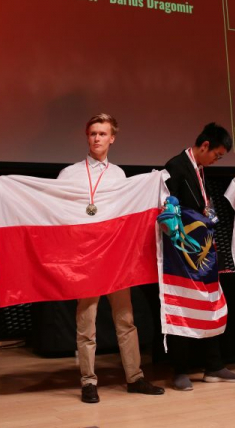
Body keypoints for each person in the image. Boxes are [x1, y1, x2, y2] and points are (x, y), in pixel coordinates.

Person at [58, 114, 163, 403]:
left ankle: (134, 377)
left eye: (102, 134)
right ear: (87, 137)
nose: (97, 139)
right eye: (93, 133)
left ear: (112, 138)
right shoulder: (69, 174)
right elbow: (59, 214)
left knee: (126, 321)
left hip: (115, 259)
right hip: (86, 260)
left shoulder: (119, 175)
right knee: (86, 322)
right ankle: (88, 381)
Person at [163, 122, 235, 391]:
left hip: (203, 250)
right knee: (182, 306)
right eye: (217, 154)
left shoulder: (199, 169)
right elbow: (168, 209)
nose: (216, 160)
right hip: (180, 254)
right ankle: (179, 370)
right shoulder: (175, 166)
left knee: (210, 303)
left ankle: (214, 365)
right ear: (205, 145)